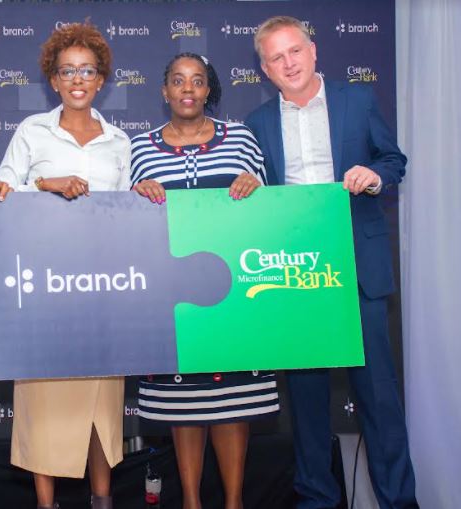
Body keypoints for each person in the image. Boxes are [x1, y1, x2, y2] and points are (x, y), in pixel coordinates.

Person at [245, 16, 418, 509]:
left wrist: (374, 173)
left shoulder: (357, 101)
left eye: (295, 51)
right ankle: (318, 499)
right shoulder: (256, 124)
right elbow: (257, 199)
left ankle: (399, 501)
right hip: (297, 276)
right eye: (277, 57)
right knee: (306, 405)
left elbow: (394, 161)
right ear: (265, 69)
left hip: (358, 268)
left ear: (313, 50)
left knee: (380, 402)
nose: (289, 63)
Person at [0, 22, 129, 509]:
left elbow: (129, 214)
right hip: (43, 296)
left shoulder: (120, 142)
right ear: (53, 80)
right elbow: (0, 197)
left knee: (100, 411)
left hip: (104, 294)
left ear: (101, 79)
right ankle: (46, 505)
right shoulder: (31, 132)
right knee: (45, 410)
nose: (77, 79)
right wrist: (44, 185)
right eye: (67, 71)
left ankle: (102, 501)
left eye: (87, 70)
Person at [131, 53, 279, 509]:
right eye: (178, 81)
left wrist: (255, 186)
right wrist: (137, 196)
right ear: (165, 91)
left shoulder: (241, 138)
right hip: (173, 303)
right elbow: (127, 226)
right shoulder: (141, 147)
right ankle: (191, 502)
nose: (188, 89)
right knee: (184, 408)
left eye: (197, 81)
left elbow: (271, 206)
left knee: (233, 405)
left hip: (236, 297)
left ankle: (233, 503)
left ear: (208, 89)